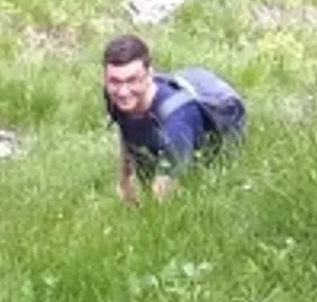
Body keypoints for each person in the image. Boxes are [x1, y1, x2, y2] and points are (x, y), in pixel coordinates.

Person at [102, 31, 245, 202]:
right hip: (158, 128)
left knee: (181, 189)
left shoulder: (176, 119)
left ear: (150, 75)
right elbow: (125, 130)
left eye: (133, 80)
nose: (123, 92)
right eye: (115, 81)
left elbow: (163, 197)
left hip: (217, 134)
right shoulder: (116, 95)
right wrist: (125, 180)